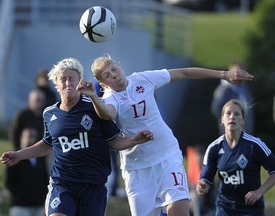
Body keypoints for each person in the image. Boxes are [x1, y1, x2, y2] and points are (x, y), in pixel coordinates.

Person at [76, 53, 254, 216]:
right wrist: (93, 96)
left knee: (178, 210)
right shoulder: (109, 98)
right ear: (104, 84)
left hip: (167, 156)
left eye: (113, 69)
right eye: (106, 75)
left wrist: (224, 75)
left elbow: (184, 73)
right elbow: (108, 113)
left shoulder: (142, 79)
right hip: (138, 169)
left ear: (120, 67)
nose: (113, 74)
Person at [0, 57, 153, 216]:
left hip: (94, 186)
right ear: (56, 85)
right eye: (63, 80)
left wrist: (134, 140)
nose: (67, 83)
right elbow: (48, 143)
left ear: (80, 81)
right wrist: (19, 154)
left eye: (71, 79)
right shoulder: (49, 114)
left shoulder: (95, 108)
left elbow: (113, 141)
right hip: (63, 184)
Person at [196, 99, 275, 216]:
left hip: (252, 211)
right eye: (228, 113)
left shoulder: (254, 145)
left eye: (237, 114)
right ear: (222, 120)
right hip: (225, 209)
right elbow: (205, 181)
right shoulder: (214, 148)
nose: (232, 116)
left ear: (243, 120)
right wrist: (202, 186)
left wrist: (259, 192)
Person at [5, 127, 49, 216]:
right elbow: (9, 182)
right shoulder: (14, 156)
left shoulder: (41, 158)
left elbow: (44, 178)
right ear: (22, 137)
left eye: (34, 137)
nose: (32, 139)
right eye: (30, 136)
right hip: (20, 205)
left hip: (38, 205)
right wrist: (23, 196)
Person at [211, 60, 254, 135]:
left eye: (242, 72)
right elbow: (216, 109)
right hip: (230, 134)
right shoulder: (224, 90)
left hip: (246, 133)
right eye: (237, 72)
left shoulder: (245, 88)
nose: (239, 75)